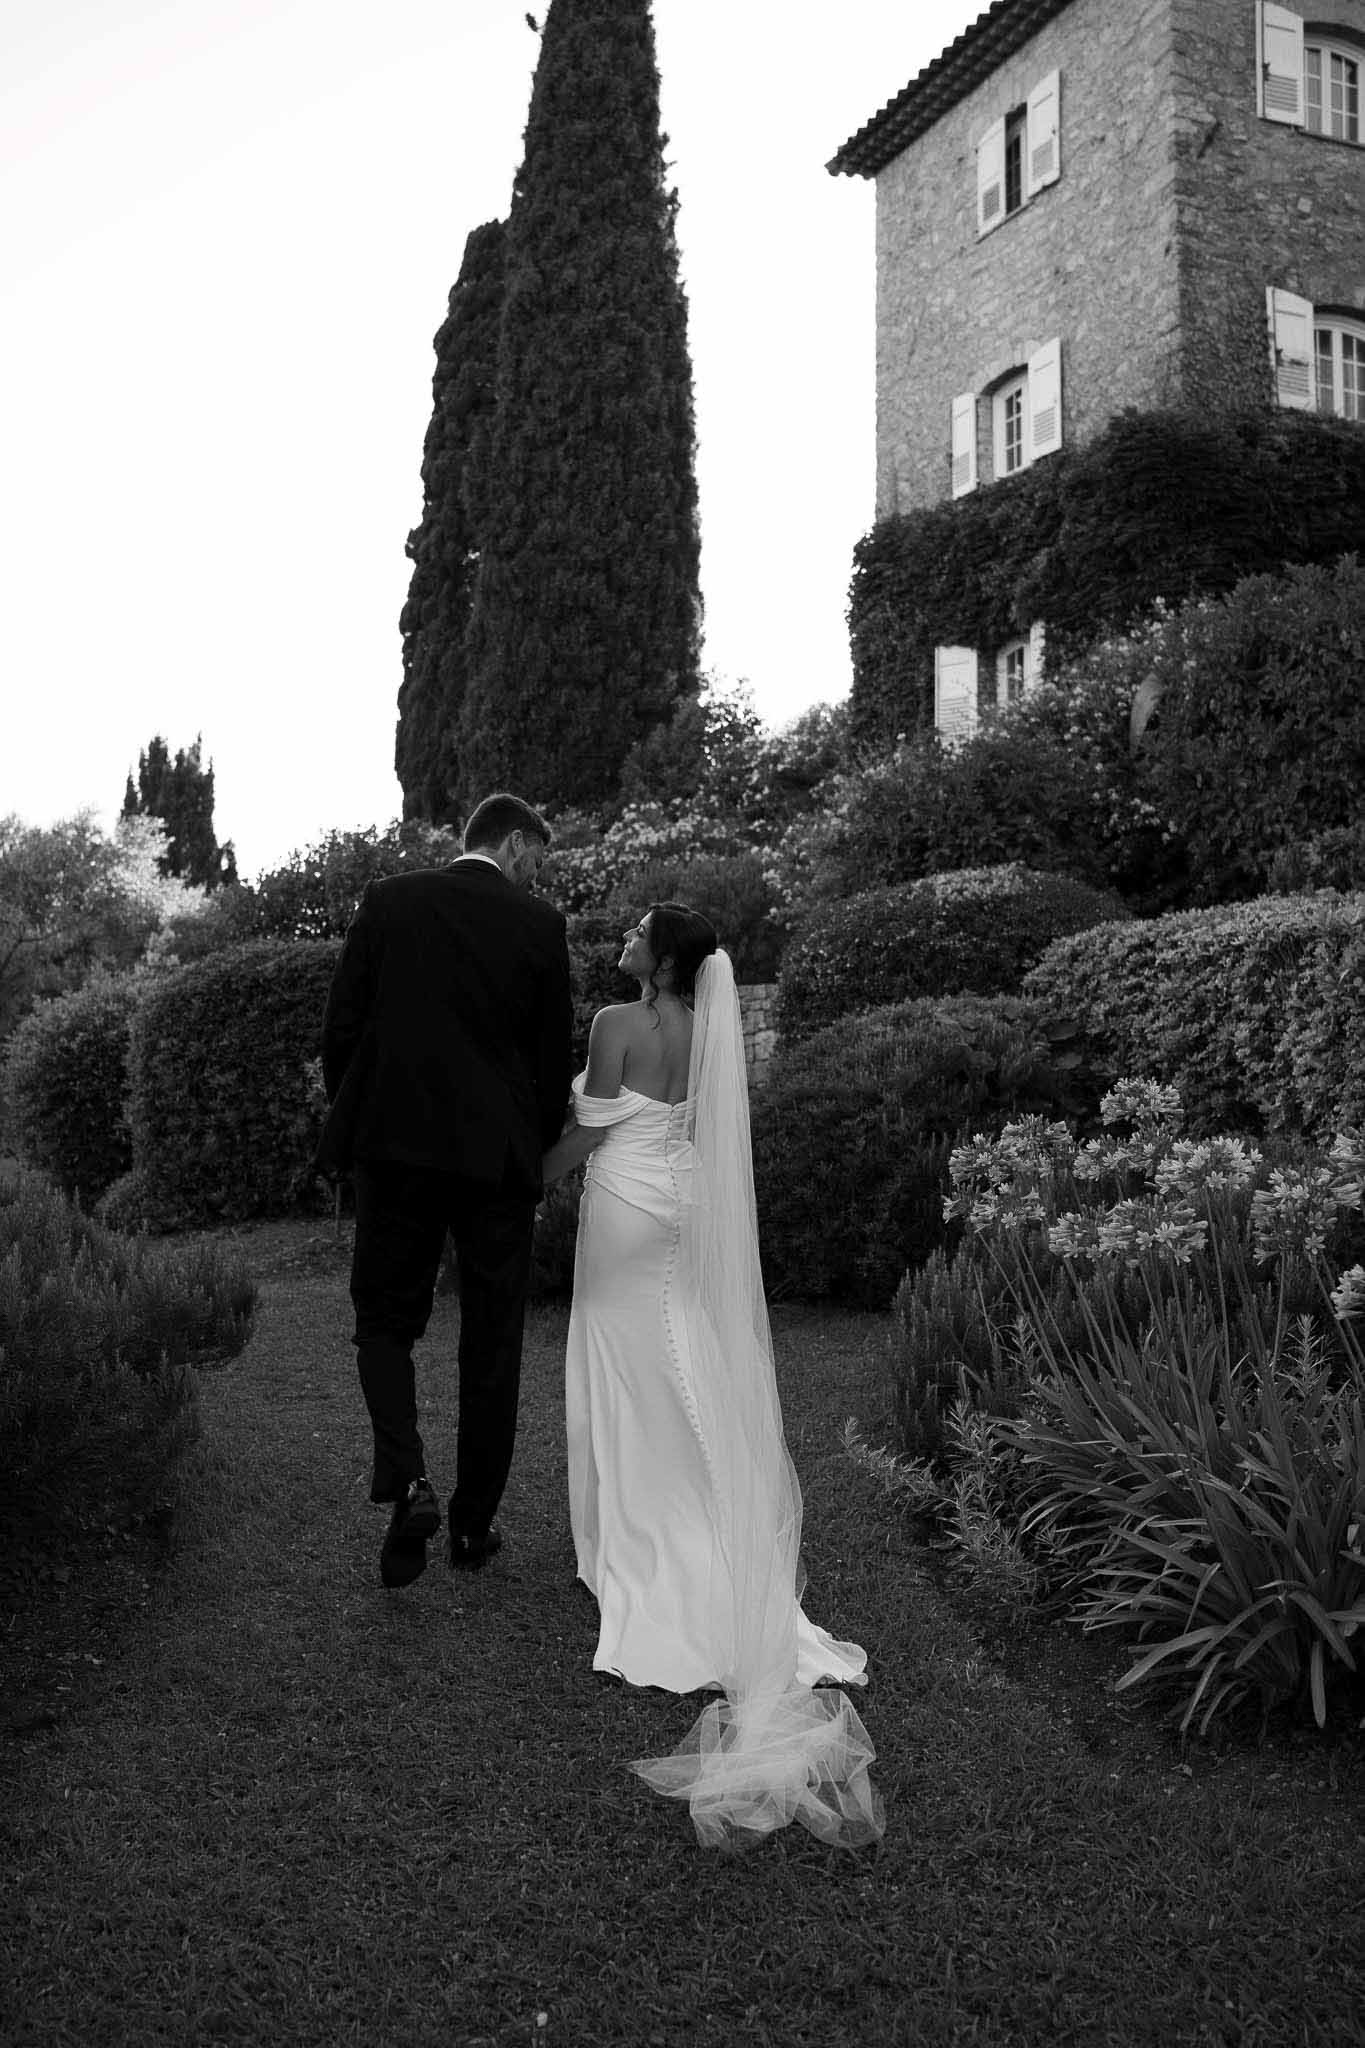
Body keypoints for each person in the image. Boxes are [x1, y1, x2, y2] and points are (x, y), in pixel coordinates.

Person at [542, 904, 884, 1852]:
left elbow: (594, 1132)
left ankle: (648, 1535)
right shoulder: (706, 1031)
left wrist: (524, 1174)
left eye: (634, 933)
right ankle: (697, 1519)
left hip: (621, 1206)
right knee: (677, 1359)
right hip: (680, 1206)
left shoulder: (619, 1025)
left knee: (623, 1363)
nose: (622, 941)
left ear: (660, 960)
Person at [318, 793, 573, 1589]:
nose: (537, 870)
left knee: (384, 1323)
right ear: (515, 840)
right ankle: (471, 1527)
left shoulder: (390, 900)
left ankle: (411, 1480)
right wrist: (525, 1153)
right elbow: (549, 1057)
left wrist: (363, 1121)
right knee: (492, 1340)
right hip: (494, 1163)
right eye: (538, 854)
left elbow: (341, 1028)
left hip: (393, 1149)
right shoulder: (539, 927)